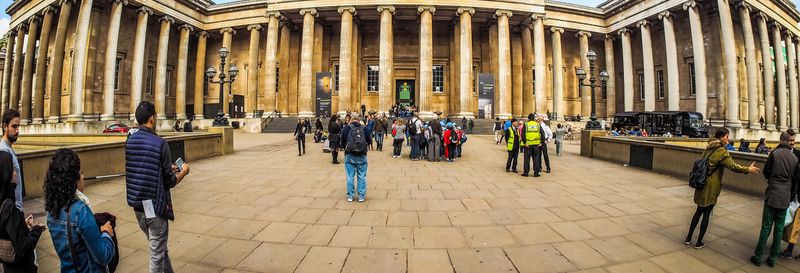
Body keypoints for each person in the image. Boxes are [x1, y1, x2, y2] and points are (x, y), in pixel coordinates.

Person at [125, 101, 191, 273]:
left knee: (159, 248)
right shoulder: (160, 143)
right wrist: (183, 171)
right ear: (152, 118)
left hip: (138, 206)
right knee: (156, 254)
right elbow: (170, 182)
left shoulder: (130, 141)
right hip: (155, 206)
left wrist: (167, 167)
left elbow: (144, 164)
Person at [685, 127, 759, 249]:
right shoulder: (722, 151)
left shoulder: (708, 148)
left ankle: (688, 238)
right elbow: (733, 167)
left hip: (701, 183)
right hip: (711, 186)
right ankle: (699, 242)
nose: (728, 139)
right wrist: (748, 169)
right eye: (727, 136)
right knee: (707, 213)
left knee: (698, 211)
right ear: (721, 137)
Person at [45, 149, 116, 272]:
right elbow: (103, 256)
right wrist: (106, 233)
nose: (83, 177)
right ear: (74, 178)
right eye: (81, 172)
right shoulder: (81, 211)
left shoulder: (52, 209)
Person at [751, 131, 798, 267]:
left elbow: (766, 172)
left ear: (780, 140)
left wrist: (774, 179)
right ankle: (772, 259)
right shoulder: (795, 158)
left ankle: (758, 257)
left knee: (766, 227)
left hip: (773, 193)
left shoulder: (775, 154)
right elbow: (795, 178)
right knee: (778, 229)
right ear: (789, 141)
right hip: (785, 196)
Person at [0, 151, 45, 273]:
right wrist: (37, 229)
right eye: (12, 169)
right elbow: (23, 247)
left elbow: (6, 230)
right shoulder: (8, 206)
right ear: (6, 173)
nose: (15, 173)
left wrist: (22, 225)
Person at [340, 113, 372, 202]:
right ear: (359, 119)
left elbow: (342, 141)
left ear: (351, 118)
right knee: (361, 176)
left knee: (350, 177)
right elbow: (369, 141)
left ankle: (350, 196)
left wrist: (344, 148)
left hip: (349, 155)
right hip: (362, 155)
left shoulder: (346, 128)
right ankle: (361, 196)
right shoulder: (364, 128)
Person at [0, 109, 22, 210]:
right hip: (12, 211)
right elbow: (4, 189)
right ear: (5, 127)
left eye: (18, 126)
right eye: (14, 126)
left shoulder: (8, 149)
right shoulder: (4, 151)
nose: (17, 131)